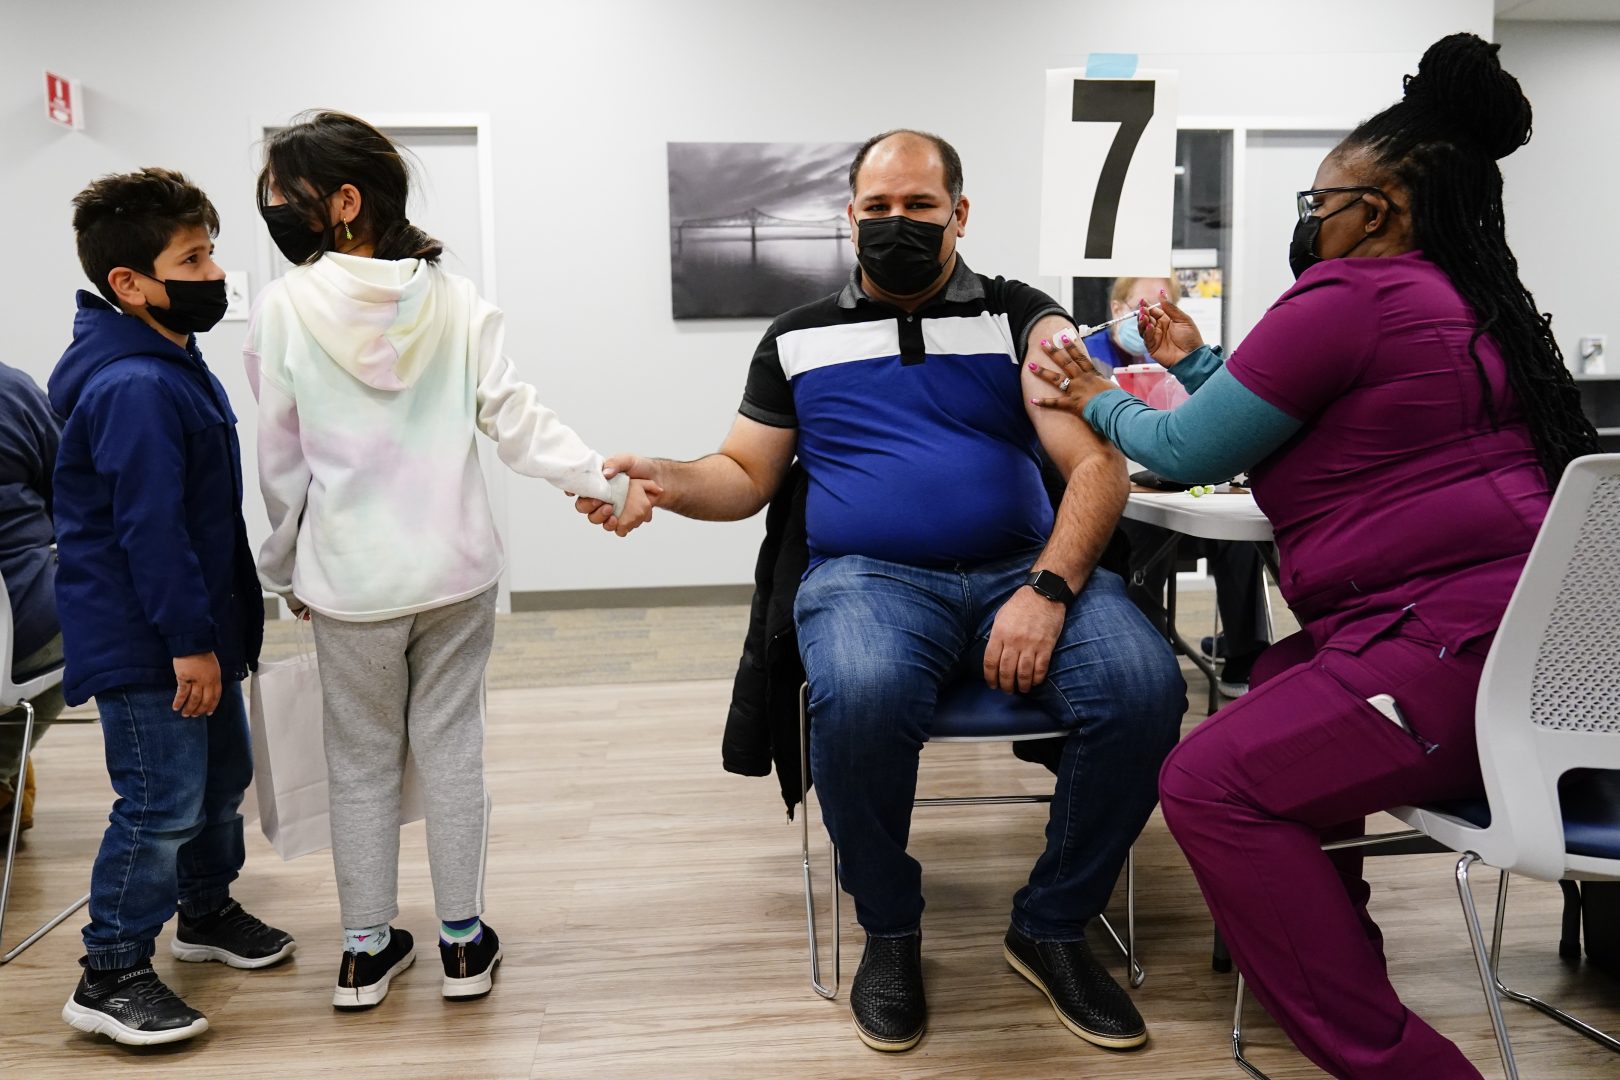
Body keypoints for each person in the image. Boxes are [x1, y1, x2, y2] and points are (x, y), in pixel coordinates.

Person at [1028, 34, 1599, 1079]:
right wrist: (1194, 359)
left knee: (1207, 782)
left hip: (1456, 653)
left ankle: (1395, 1061)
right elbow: (1279, 414)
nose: (1310, 220)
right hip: (1528, 643)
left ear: (1374, 210)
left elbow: (1184, 448)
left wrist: (1089, 392)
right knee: (1278, 686)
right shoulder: (1470, 300)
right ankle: (1337, 966)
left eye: (1316, 202)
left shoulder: (1350, 295)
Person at [575, 129, 1185, 1054]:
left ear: (960, 213)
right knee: (857, 696)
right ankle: (890, 929)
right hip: (868, 578)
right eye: (879, 208)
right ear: (849, 216)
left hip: (1023, 569)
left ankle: (1053, 924)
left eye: (920, 207)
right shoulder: (797, 337)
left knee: (1145, 689)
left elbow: (1095, 465)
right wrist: (663, 477)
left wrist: (1049, 589)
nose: (897, 223)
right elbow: (743, 474)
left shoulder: (1028, 320)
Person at [247, 111, 654, 1012]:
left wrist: (283, 569)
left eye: (280, 195)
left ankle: (364, 952)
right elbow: (518, 421)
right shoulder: (456, 300)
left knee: (358, 761)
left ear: (343, 203)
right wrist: (603, 482)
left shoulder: (282, 310)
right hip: (457, 575)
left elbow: (280, 467)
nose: (270, 210)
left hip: (350, 584)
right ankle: (463, 945)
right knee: (453, 754)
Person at [51, 169, 293, 1047]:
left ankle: (204, 911)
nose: (214, 270)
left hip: (194, 632)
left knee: (219, 782)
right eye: (191, 257)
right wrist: (190, 643)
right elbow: (149, 531)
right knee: (158, 805)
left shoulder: (168, 360)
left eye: (211, 251)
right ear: (130, 283)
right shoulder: (134, 385)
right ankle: (109, 970)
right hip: (151, 640)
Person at [1090, 276, 1273, 695]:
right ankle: (1147, 657)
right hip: (1133, 500)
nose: (1148, 315)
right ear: (1116, 308)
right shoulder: (1091, 362)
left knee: (1239, 541)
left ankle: (1243, 654)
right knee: (1135, 535)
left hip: (1187, 491)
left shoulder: (1183, 356)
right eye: (1137, 307)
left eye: (1163, 303)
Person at [0, 361, 63, 836]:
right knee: (98, 616)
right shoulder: (11, 392)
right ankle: (2, 774)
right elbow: (70, 495)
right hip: (20, 637)